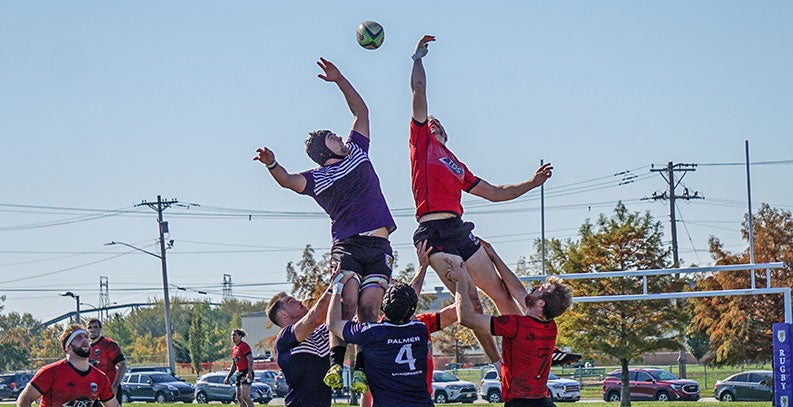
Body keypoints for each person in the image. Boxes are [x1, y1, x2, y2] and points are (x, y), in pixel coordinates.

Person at [409, 34, 554, 363]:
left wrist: (532, 183)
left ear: (445, 133)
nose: (432, 123)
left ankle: (524, 354)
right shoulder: (421, 144)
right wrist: (417, 59)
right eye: (428, 121)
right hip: (434, 235)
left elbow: (496, 193)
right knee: (471, 305)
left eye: (437, 124)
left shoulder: (457, 165)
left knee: (502, 295)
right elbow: (419, 92)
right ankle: (499, 364)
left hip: (459, 229)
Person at [254, 57, 396, 391]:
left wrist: (339, 79)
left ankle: (359, 369)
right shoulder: (318, 178)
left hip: (379, 245)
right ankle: (336, 365)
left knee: (369, 307)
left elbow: (362, 112)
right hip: (347, 244)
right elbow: (288, 181)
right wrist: (272, 163)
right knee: (346, 302)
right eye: (332, 136)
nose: (340, 136)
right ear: (322, 150)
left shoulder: (358, 151)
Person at [448, 265, 574, 407]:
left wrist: (460, 281)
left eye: (541, 288)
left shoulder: (514, 325)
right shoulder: (551, 327)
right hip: (543, 401)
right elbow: (516, 289)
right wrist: (492, 254)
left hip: (519, 403)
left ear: (541, 303)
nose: (537, 286)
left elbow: (467, 319)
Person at [327, 280, 433, 407]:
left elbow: (333, 324)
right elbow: (409, 314)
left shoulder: (372, 332)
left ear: (384, 306)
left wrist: (336, 288)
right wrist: (395, 293)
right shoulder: (420, 330)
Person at [266, 270, 355, 407]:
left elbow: (346, 314)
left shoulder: (321, 331)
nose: (300, 302)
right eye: (292, 302)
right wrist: (335, 285)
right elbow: (314, 317)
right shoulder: (283, 338)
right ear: (283, 314)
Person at [17, 324, 119, 407]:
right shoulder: (51, 372)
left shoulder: (100, 377)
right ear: (68, 347)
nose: (85, 340)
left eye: (86, 337)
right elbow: (25, 398)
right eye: (78, 338)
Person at [86, 318, 126, 407]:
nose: (92, 330)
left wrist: (115, 385)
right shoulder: (85, 348)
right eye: (90, 327)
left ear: (100, 329)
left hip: (109, 388)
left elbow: (122, 364)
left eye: (95, 327)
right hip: (92, 390)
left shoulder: (109, 344)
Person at [223, 329, 254, 407]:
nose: (233, 337)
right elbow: (234, 364)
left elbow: (250, 359)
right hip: (239, 373)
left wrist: (249, 372)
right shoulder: (234, 349)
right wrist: (227, 377)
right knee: (239, 397)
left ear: (240, 336)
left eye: (235, 335)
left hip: (246, 372)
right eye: (232, 335)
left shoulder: (244, 346)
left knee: (244, 396)